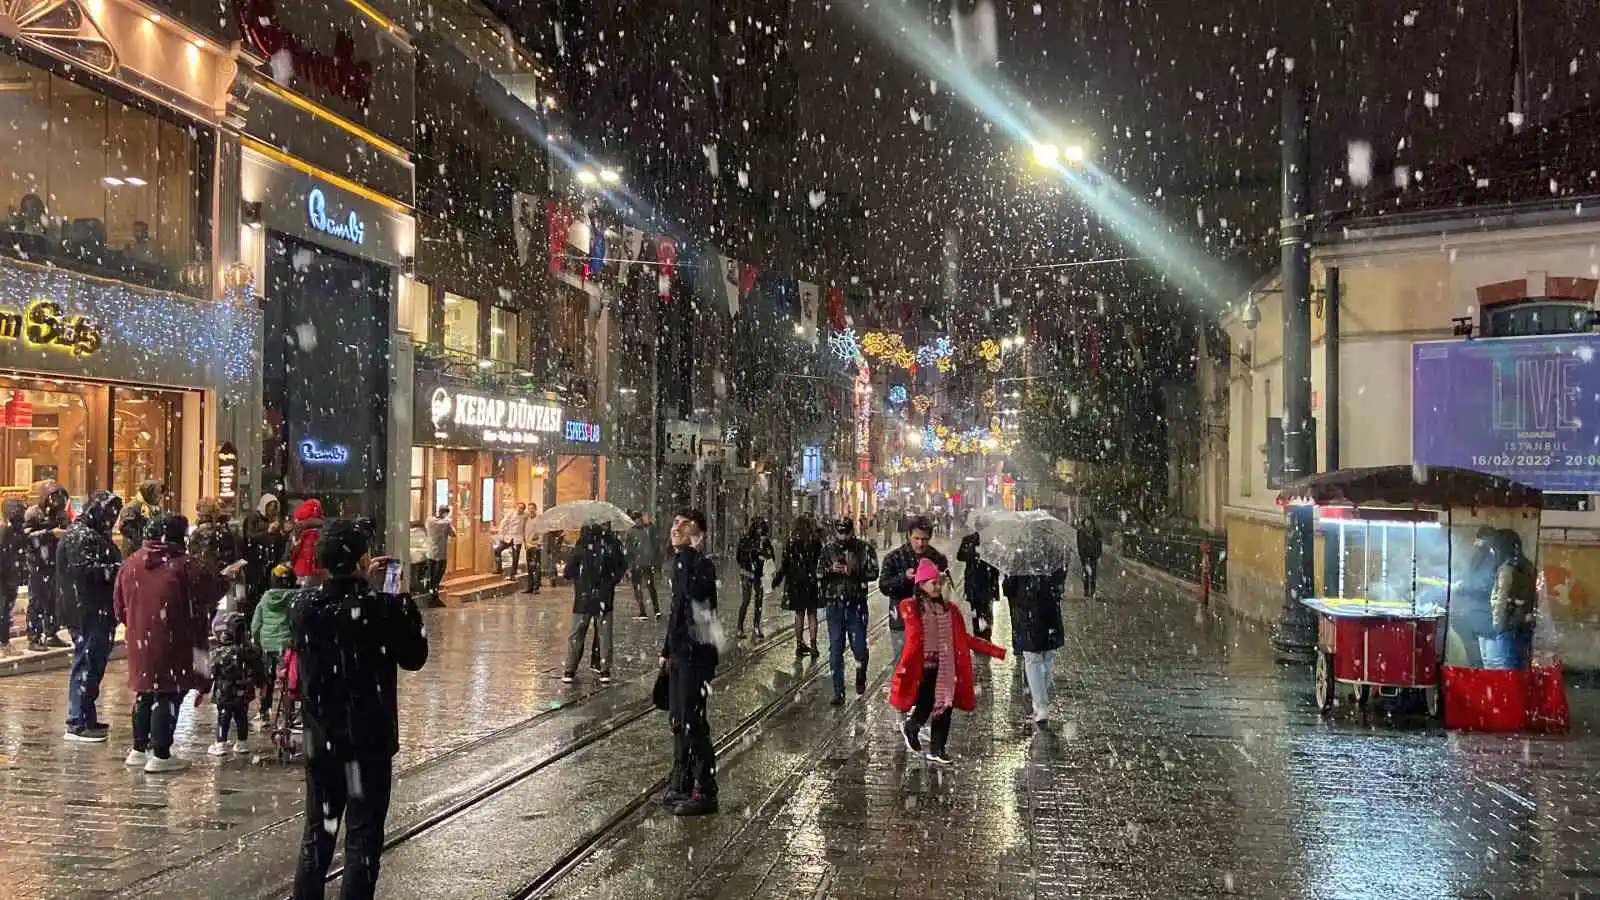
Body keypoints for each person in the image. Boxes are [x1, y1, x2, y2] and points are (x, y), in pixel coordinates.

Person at [292, 519, 429, 900]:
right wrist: (400, 600)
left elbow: (337, 609)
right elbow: (415, 656)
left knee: (318, 834)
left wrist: (355, 582)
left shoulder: (304, 607)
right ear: (363, 558)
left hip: (322, 738)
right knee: (363, 839)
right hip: (368, 739)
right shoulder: (381, 609)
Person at [115, 514, 207, 773]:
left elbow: (119, 606)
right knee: (168, 692)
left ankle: (138, 748)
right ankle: (162, 753)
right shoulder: (184, 566)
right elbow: (204, 595)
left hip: (140, 638)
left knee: (146, 692)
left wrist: (137, 623)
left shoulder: (131, 563)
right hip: (173, 639)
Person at [889, 559, 1006, 764]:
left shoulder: (950, 610)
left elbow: (964, 637)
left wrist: (994, 650)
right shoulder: (912, 607)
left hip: (945, 667)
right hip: (923, 668)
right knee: (925, 705)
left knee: (945, 706)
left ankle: (937, 749)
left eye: (938, 583)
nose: (937, 587)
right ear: (921, 584)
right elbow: (914, 632)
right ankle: (912, 727)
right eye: (932, 583)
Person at [660, 508, 719, 816]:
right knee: (679, 721)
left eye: (684, 524)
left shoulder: (701, 566)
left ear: (699, 534)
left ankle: (706, 792)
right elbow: (676, 612)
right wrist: (666, 650)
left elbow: (697, 602)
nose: (676, 527)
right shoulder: (681, 564)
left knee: (693, 723)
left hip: (697, 655)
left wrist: (689, 554)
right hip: (682, 654)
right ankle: (681, 784)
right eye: (674, 521)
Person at [59, 490, 124, 741]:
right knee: (87, 660)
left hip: (95, 607)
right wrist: (117, 570)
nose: (113, 518)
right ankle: (77, 720)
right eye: (110, 513)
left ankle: (85, 714)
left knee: (93, 661)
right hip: (86, 609)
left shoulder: (92, 534)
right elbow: (84, 572)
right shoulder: (81, 535)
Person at [816, 517, 878, 705]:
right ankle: (838, 690)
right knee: (835, 649)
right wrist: (830, 569)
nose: (843, 537)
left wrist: (855, 570)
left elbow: (874, 572)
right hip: (834, 604)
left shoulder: (864, 548)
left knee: (859, 646)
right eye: (839, 533)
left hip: (856, 603)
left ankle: (861, 673)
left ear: (852, 531)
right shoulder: (828, 549)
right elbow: (818, 572)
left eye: (846, 533)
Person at [561, 522, 626, 684]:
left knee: (577, 633)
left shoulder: (581, 546)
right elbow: (622, 567)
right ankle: (605, 669)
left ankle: (570, 669)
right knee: (604, 634)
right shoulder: (612, 544)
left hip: (583, 598)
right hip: (605, 597)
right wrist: (610, 582)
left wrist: (577, 575)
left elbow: (568, 572)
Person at [1004, 566, 1068, 729]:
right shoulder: (1054, 557)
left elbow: (1008, 589)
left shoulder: (1019, 560)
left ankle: (1040, 705)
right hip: (1048, 614)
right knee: (1045, 658)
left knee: (1034, 659)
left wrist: (1010, 578)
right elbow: (1060, 583)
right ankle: (1041, 703)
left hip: (1029, 615)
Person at [878, 516, 949, 663]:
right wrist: (904, 578)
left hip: (930, 619)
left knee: (928, 665)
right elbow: (884, 586)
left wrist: (938, 581)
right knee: (903, 663)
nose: (920, 543)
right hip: (901, 620)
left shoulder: (937, 558)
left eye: (924, 539)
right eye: (916, 538)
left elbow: (945, 591)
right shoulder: (894, 558)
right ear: (908, 535)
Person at [207, 609, 264, 755]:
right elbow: (258, 668)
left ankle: (220, 744)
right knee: (241, 717)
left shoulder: (219, 653)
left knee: (223, 717)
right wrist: (259, 683)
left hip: (224, 692)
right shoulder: (249, 650)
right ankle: (242, 743)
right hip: (243, 692)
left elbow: (211, 672)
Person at [23, 483, 70, 651]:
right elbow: (27, 537)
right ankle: (34, 636)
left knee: (53, 599)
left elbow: (68, 530)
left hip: (54, 561)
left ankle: (51, 632)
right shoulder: (33, 513)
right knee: (37, 600)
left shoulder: (60, 514)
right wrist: (50, 534)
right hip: (37, 563)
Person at [772, 515, 824, 659]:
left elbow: (785, 564)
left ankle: (799, 644)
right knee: (812, 614)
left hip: (796, 583)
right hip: (811, 582)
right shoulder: (815, 542)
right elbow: (821, 562)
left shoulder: (791, 543)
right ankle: (813, 646)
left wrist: (778, 578)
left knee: (799, 614)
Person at [1486, 529, 1539, 669]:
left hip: (1508, 625)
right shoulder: (1528, 566)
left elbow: (1501, 599)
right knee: (1520, 667)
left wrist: (1497, 625)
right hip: (1524, 624)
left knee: (1507, 668)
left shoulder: (1507, 569)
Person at [252, 564, 297, 725]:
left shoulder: (265, 599)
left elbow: (256, 625)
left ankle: (264, 711)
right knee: (287, 680)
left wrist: (257, 641)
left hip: (267, 645)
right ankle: (287, 714)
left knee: (267, 679)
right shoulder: (295, 598)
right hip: (287, 646)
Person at [735, 518, 776, 640]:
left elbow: (771, 557)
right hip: (747, 573)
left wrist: (764, 555)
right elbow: (739, 557)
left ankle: (756, 626)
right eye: (758, 529)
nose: (760, 533)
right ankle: (740, 627)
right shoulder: (745, 539)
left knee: (758, 600)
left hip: (759, 574)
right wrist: (752, 556)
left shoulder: (765, 541)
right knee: (746, 600)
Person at [956, 526, 1000, 639]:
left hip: (988, 582)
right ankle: (978, 633)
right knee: (975, 610)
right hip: (973, 582)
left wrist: (988, 554)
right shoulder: (968, 539)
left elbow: (999, 561)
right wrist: (972, 551)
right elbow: (960, 556)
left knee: (986, 610)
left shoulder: (993, 541)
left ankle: (986, 634)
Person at [0, 499, 26, 658]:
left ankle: (4, 642)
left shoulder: (15, 532)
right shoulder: (5, 532)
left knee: (5, 611)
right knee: (3, 611)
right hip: (5, 578)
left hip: (9, 577)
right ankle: (3, 643)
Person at [625, 511, 661, 619]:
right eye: (637, 519)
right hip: (639, 563)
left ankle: (654, 610)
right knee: (641, 588)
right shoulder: (633, 531)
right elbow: (628, 550)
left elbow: (655, 546)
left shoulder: (647, 529)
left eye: (639, 519)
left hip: (644, 563)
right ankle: (645, 610)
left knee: (648, 587)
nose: (638, 521)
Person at [115, 479, 162, 556]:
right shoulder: (131, 508)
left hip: (150, 551)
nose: (160, 497)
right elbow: (127, 530)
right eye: (157, 494)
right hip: (133, 552)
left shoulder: (155, 508)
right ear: (149, 493)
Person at [288, 498, 326, 586]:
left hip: (301, 576)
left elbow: (293, 554)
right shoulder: (323, 532)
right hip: (317, 577)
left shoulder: (299, 533)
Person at [493, 502, 527, 577]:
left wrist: (525, 539)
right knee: (497, 550)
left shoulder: (525, 516)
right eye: (519, 507)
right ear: (516, 507)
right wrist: (501, 535)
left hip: (518, 539)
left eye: (522, 508)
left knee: (515, 557)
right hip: (508, 537)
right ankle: (499, 568)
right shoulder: (511, 514)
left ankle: (513, 574)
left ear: (523, 510)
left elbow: (526, 528)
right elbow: (503, 523)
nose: (520, 509)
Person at [1076, 515, 1103, 598]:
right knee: (1085, 574)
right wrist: (1081, 556)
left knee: (1093, 575)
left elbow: (1099, 544)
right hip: (1084, 556)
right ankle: (1086, 591)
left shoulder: (1096, 532)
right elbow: (1079, 545)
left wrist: (1098, 554)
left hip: (1093, 556)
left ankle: (1093, 591)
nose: (1088, 523)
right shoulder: (1081, 532)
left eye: (1089, 521)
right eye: (1086, 521)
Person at [522, 504, 544, 594]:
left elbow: (542, 532)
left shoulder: (539, 519)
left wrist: (539, 542)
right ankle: (530, 587)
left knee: (535, 566)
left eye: (532, 508)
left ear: (535, 509)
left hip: (535, 546)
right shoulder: (526, 519)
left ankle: (536, 587)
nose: (530, 510)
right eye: (529, 508)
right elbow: (525, 531)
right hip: (528, 546)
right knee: (529, 567)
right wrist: (525, 542)